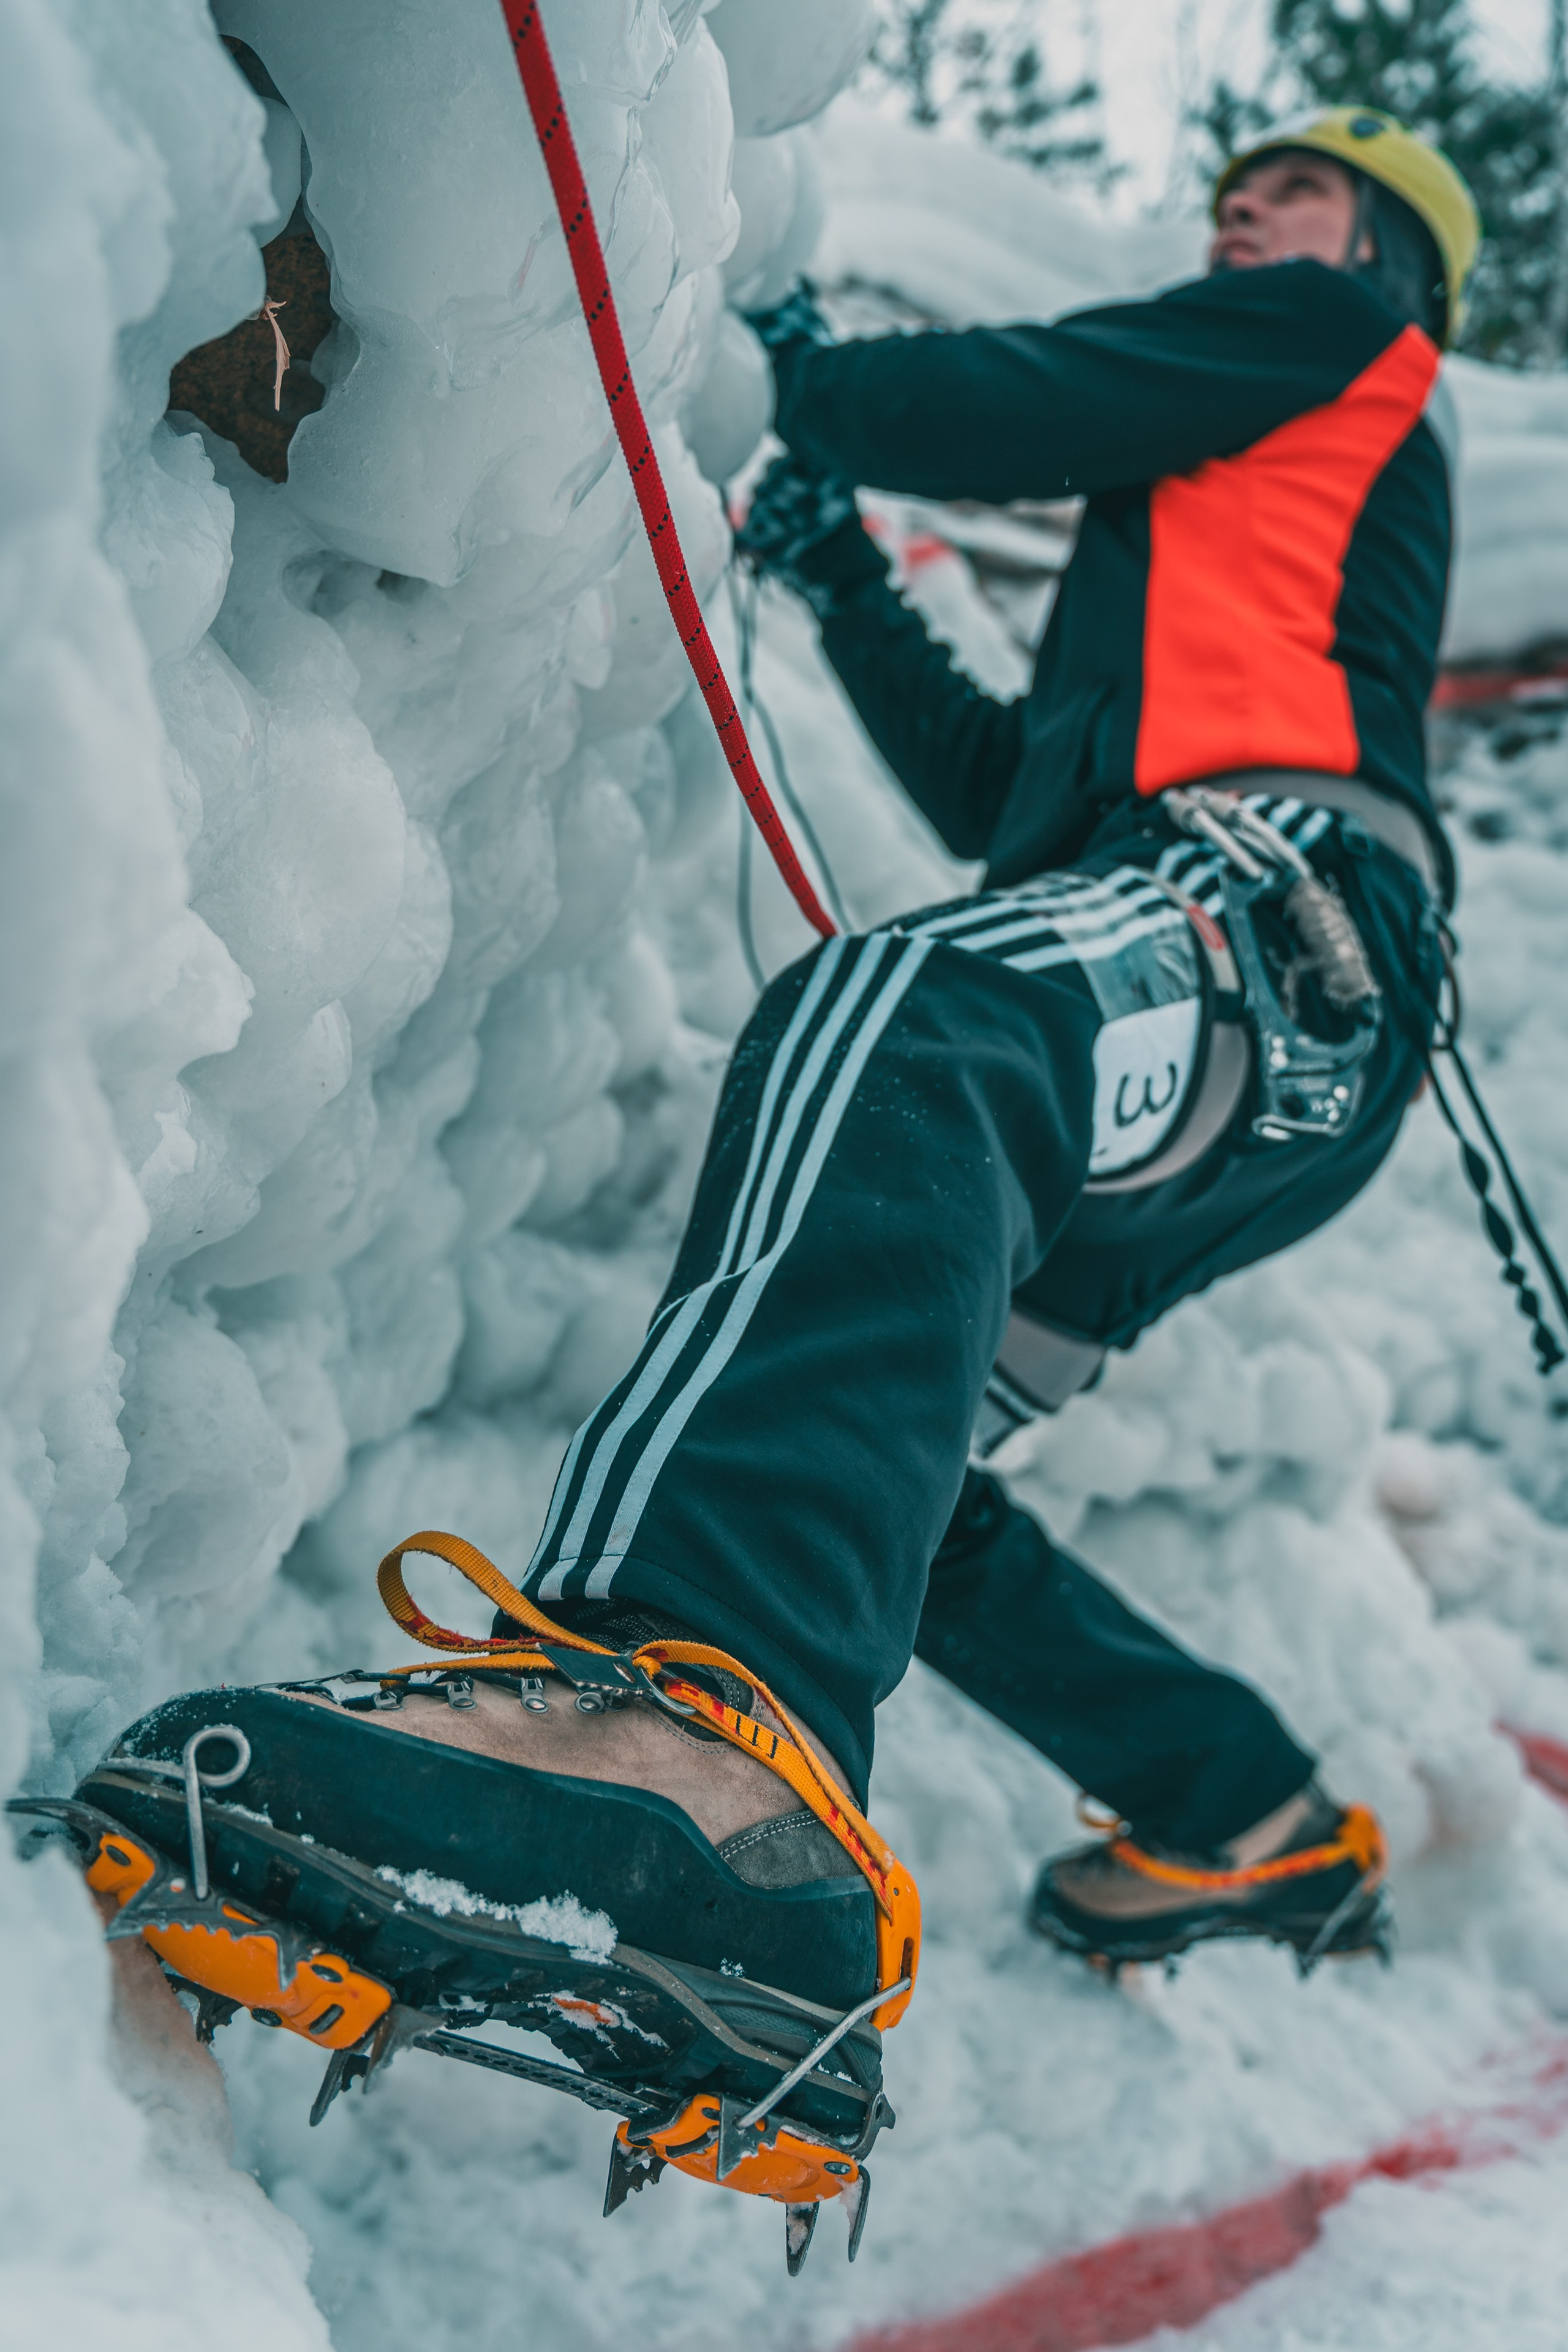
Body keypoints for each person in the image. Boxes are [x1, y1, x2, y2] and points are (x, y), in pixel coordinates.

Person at [53, 111, 1478, 2250]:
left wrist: (770, 353)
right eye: (1235, 200)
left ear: (1381, 253)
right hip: (1272, 1031)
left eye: (1288, 197)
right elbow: (1013, 787)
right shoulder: (1220, 532)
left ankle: (693, 1747)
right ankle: (1234, 1806)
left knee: (903, 1021)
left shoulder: (1331, 332)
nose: (1244, 220)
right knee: (910, 1474)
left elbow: (1030, 397)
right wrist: (827, 566)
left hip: (1263, 908)